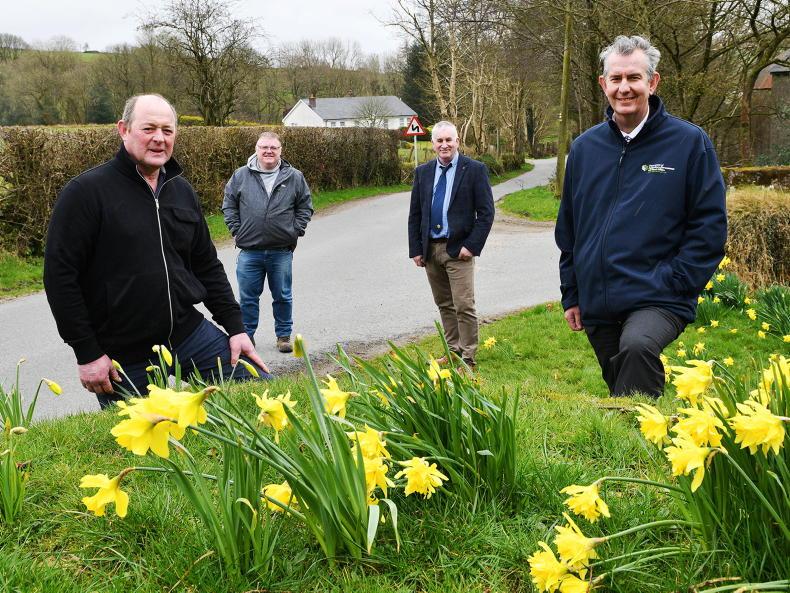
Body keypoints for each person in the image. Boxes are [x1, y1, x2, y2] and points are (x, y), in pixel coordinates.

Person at [44, 93, 270, 409]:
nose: (159, 138)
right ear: (123, 129)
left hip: (189, 335)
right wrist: (87, 352)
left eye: (167, 130)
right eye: (148, 128)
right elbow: (60, 277)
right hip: (125, 354)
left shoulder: (181, 191)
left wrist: (236, 328)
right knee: (148, 435)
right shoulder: (86, 193)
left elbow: (206, 265)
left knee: (260, 397)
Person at [555, 35, 727, 398]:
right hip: (599, 301)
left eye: (634, 77)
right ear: (603, 84)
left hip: (659, 296)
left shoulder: (688, 143)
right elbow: (569, 229)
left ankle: (643, 434)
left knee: (637, 349)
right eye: (616, 79)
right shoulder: (584, 149)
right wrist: (572, 293)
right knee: (622, 388)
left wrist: (675, 281)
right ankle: (649, 430)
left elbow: (709, 227)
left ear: (653, 82)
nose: (624, 88)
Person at [407, 121, 495, 367]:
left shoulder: (474, 170)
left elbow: (486, 213)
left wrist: (472, 246)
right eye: (439, 141)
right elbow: (415, 214)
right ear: (433, 144)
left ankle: (468, 357)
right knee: (444, 304)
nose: (444, 145)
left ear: (457, 141)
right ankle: (453, 350)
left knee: (463, 305)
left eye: (449, 140)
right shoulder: (423, 173)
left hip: (459, 250)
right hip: (431, 250)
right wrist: (416, 249)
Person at [222, 131, 313, 353]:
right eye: (264, 147)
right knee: (247, 298)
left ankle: (283, 336)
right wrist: (236, 230)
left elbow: (305, 206)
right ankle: (247, 337)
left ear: (280, 150)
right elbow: (229, 204)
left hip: (281, 251)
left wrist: (295, 231)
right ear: (257, 149)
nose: (269, 151)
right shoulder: (241, 175)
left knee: (282, 296)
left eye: (273, 147)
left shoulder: (294, 177)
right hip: (249, 251)